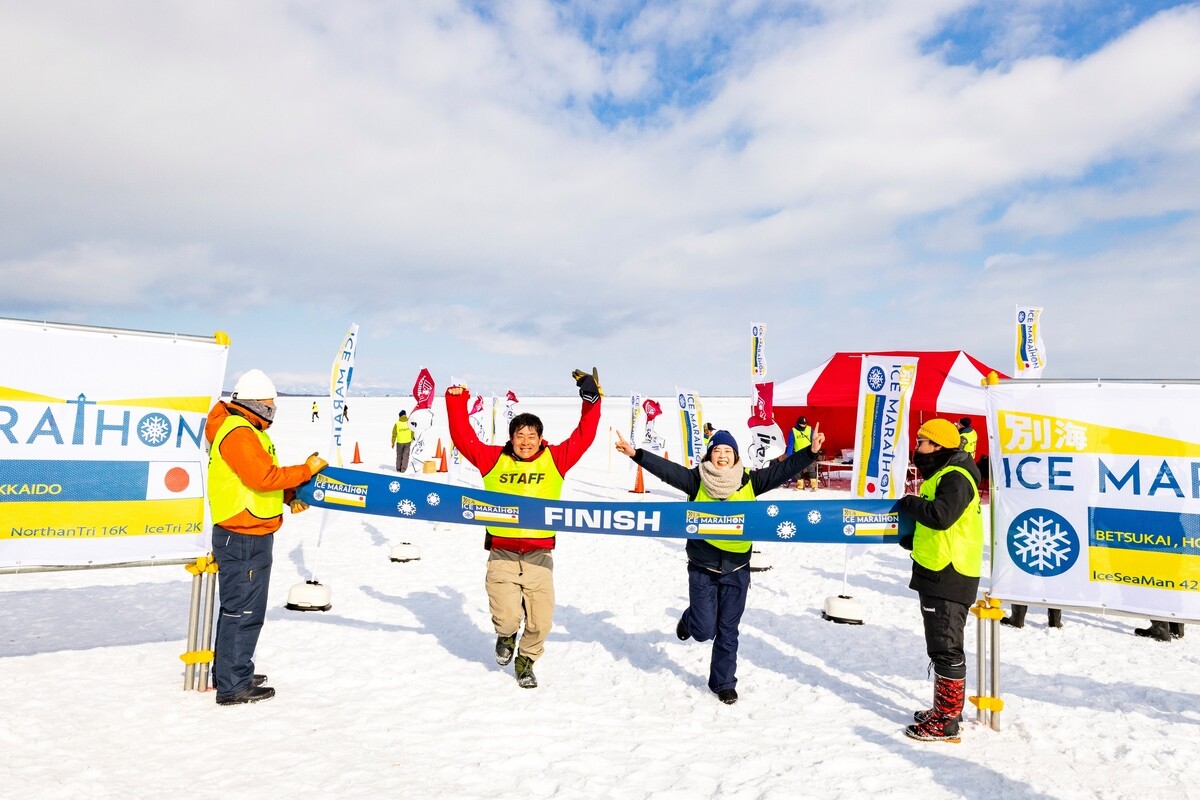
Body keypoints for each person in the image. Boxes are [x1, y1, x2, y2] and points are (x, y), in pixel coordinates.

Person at [615, 424, 824, 705]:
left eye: (728, 451)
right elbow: (668, 470)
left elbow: (780, 472)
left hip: (737, 569)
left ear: (736, 456)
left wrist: (809, 454)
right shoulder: (696, 480)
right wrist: (637, 454)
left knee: (728, 630)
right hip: (703, 566)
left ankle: (723, 682)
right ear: (710, 454)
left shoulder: (750, 481)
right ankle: (690, 620)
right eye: (717, 450)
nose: (722, 455)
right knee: (704, 630)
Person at [446, 368, 602, 689]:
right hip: (502, 552)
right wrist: (456, 401)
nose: (526, 442)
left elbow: (584, 435)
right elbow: (464, 439)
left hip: (539, 556)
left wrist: (591, 400)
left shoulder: (556, 459)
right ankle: (505, 635)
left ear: (540, 439)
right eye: (520, 436)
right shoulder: (493, 459)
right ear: (511, 438)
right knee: (506, 615)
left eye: (532, 436)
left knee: (541, 621)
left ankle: (526, 659)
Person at [206, 369, 328, 706]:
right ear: (255, 404)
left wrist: (288, 497)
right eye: (270, 405)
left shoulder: (246, 429)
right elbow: (262, 477)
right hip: (242, 535)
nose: (273, 410)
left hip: (250, 530)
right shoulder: (239, 433)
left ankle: (232, 670)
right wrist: (306, 470)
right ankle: (233, 684)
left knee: (238, 608)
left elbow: (253, 482)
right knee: (243, 611)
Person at [898, 417, 982, 743]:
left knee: (946, 648)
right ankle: (945, 708)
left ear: (938, 446)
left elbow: (941, 516)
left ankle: (946, 720)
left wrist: (909, 503)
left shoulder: (956, 477)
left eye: (921, 443)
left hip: (949, 573)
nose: (917, 449)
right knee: (941, 645)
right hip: (937, 569)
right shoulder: (946, 474)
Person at [782, 415, 819, 490]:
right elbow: (790, 444)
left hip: (809, 453)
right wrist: (789, 455)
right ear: (798, 423)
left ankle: (814, 485)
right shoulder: (793, 431)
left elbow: (814, 441)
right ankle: (800, 485)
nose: (804, 425)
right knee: (798, 470)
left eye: (805, 424)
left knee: (811, 469)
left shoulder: (810, 429)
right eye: (802, 424)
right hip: (798, 453)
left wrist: (815, 451)